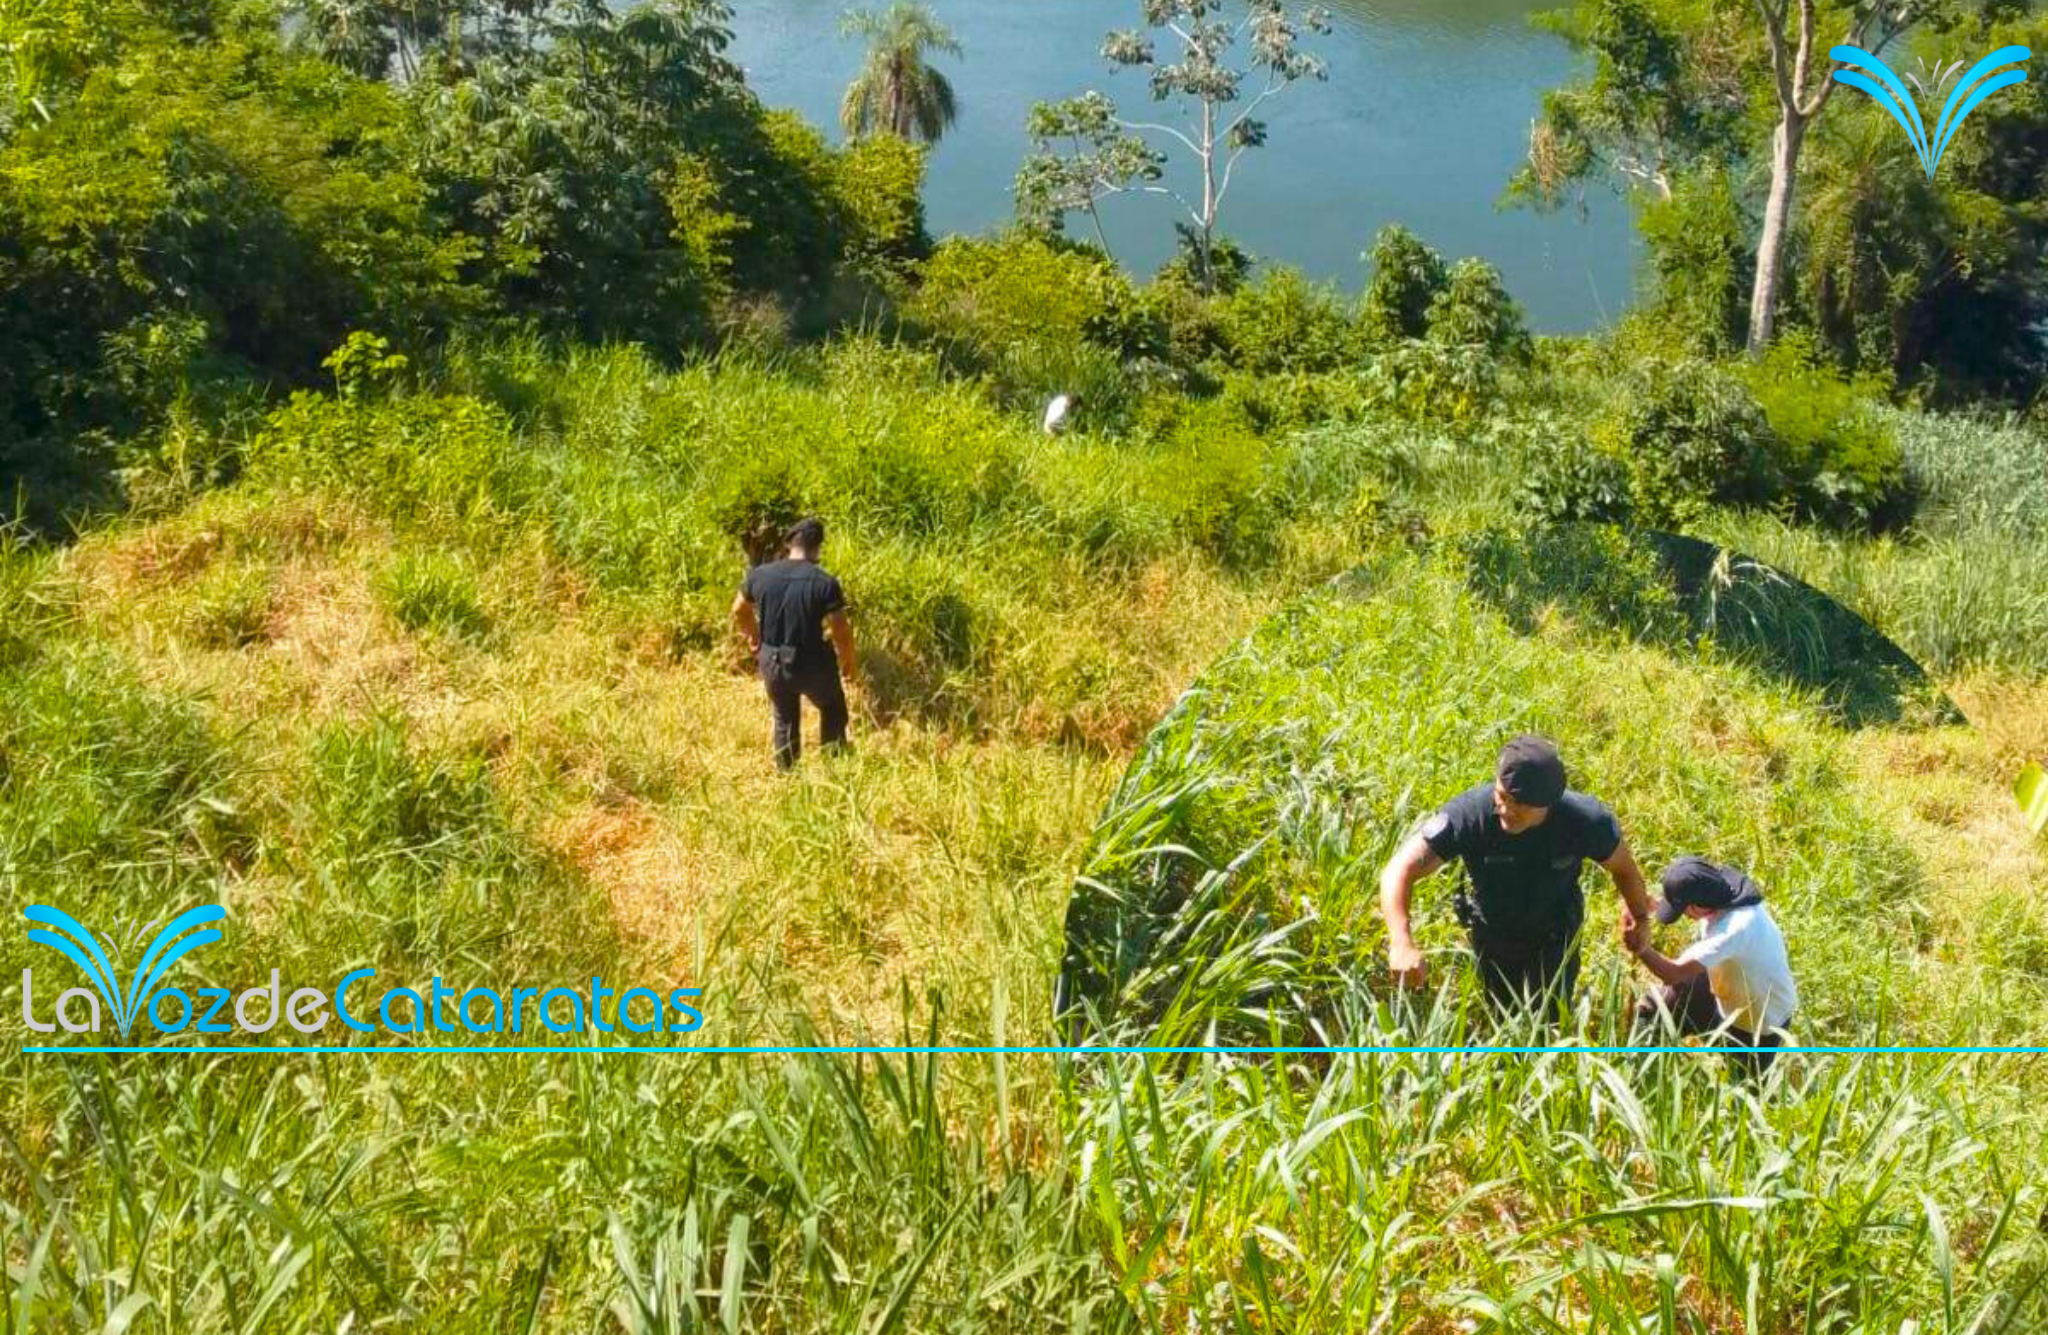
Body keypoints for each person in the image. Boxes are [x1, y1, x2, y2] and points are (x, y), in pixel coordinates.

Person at [1378, 735, 1653, 1012]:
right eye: (1501, 795)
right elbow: (1399, 869)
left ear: (1549, 803)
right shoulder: (1471, 815)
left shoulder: (1584, 821)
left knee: (1550, 1018)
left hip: (1555, 933)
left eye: (1519, 804)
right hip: (1494, 932)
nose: (1505, 810)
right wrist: (1401, 942)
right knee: (1501, 1012)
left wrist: (1640, 917)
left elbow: (1623, 868)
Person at [1623, 856, 1798, 1075]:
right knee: (1654, 1009)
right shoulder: (1721, 888)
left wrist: (1641, 949)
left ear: (1697, 906)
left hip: (1758, 1019)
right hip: (1722, 982)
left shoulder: (1735, 929)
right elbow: (1682, 897)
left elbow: (1673, 974)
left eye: (1683, 911)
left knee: (1743, 1090)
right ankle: (1639, 1075)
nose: (1685, 917)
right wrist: (1646, 906)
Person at [732, 517, 857, 770]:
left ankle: (787, 777)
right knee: (832, 707)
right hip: (811, 663)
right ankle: (835, 770)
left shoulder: (760, 575)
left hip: (772, 660)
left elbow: (738, 610)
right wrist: (849, 662)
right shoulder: (824, 582)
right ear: (817, 548)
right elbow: (840, 630)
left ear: (789, 544)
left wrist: (753, 636)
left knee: (784, 717)